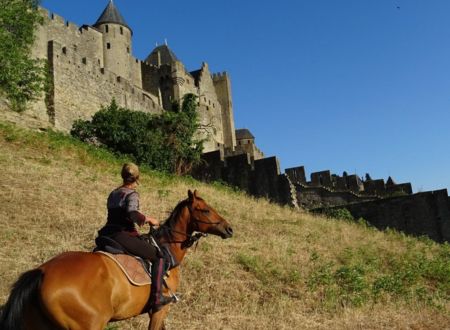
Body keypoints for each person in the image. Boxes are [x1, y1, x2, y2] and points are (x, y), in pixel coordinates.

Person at [97, 162, 173, 310]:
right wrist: (149, 219)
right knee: (159, 256)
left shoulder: (113, 193)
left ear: (123, 176)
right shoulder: (132, 194)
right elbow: (132, 213)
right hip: (122, 235)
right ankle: (156, 298)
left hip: (107, 233)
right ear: (137, 178)